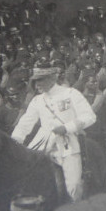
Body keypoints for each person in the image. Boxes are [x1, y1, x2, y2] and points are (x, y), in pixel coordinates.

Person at [12, 66, 96, 202]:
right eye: (35, 81)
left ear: (53, 78)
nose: (37, 84)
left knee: (73, 185)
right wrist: (16, 139)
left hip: (68, 143)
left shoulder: (70, 93)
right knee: (26, 176)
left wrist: (67, 127)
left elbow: (89, 116)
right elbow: (25, 122)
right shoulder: (37, 100)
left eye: (41, 80)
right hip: (42, 144)